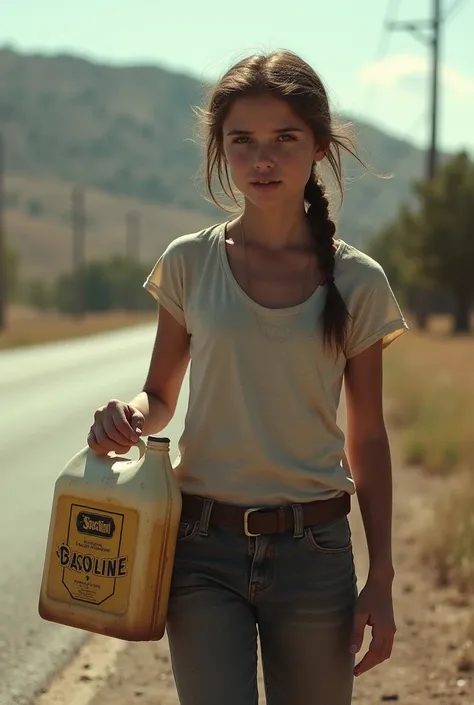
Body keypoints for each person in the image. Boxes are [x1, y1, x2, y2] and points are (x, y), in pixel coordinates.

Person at [88, 49, 409, 705]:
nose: (263, 159)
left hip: (316, 553)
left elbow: (368, 437)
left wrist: (382, 577)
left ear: (317, 144)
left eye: (284, 139)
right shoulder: (187, 263)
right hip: (201, 550)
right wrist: (127, 414)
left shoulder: (360, 280)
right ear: (221, 149)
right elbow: (160, 396)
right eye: (243, 142)